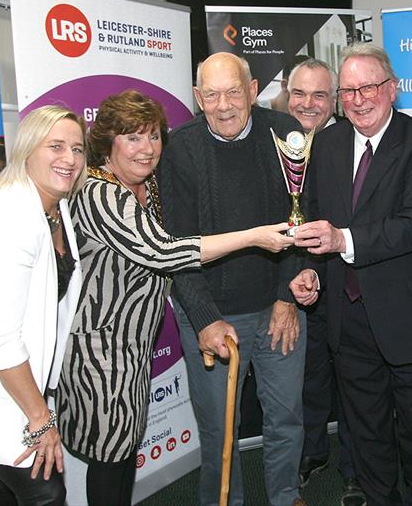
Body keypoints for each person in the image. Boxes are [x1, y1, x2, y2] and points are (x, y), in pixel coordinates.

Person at [55, 90, 294, 506]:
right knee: (110, 461)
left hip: (131, 350)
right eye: (132, 138)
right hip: (100, 354)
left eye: (153, 136)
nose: (147, 149)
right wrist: (255, 236)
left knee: (121, 455)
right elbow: (165, 250)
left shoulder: (147, 187)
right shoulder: (100, 193)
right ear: (107, 142)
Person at [289, 43, 412, 505]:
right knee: (366, 436)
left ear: (392, 89)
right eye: (348, 91)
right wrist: (311, 271)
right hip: (349, 316)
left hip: (411, 320)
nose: (358, 99)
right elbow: (315, 215)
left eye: (369, 87)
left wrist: (344, 241)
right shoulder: (330, 143)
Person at [159, 52, 306, 506]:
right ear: (197, 97)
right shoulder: (178, 148)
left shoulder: (287, 135)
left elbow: (304, 220)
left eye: (234, 91)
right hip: (211, 316)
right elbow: (177, 247)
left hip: (277, 311)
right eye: (211, 95)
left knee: (285, 419)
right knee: (220, 432)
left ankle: (285, 496)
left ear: (253, 88)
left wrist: (286, 297)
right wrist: (203, 318)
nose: (223, 105)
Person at [0, 105, 87, 505]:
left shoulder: (53, 207)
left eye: (77, 149)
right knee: (46, 491)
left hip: (20, 386)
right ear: (27, 149)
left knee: (10, 492)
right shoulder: (11, 217)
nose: (70, 159)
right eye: (56, 146)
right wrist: (41, 418)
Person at [286, 58, 364, 505]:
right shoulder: (271, 141)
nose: (309, 104)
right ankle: (309, 456)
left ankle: (355, 469)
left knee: (356, 385)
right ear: (286, 95)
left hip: (350, 285)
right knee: (307, 381)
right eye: (300, 94)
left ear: (334, 100)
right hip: (295, 288)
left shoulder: (350, 141)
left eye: (320, 95)